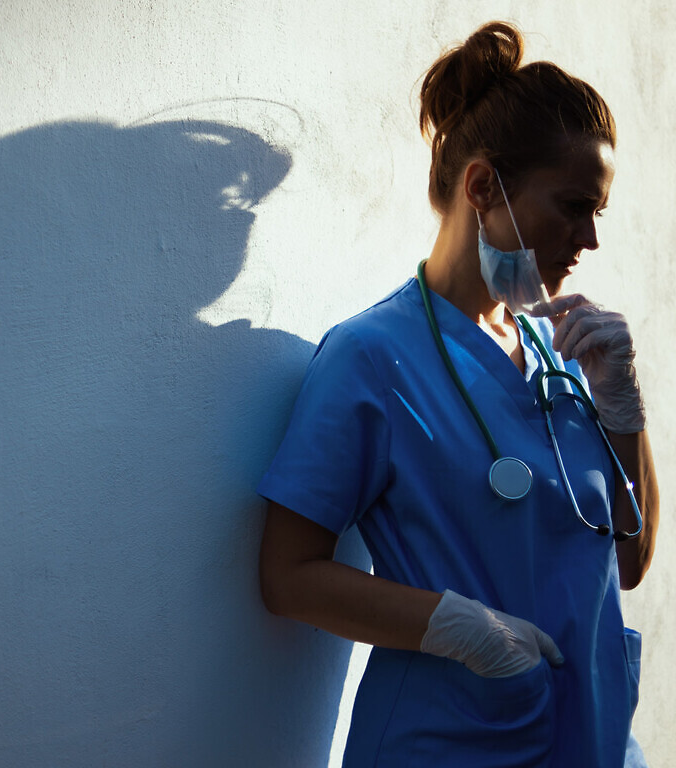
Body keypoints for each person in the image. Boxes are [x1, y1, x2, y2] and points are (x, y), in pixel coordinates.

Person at [257, 21, 660, 767]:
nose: (590, 238)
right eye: (574, 205)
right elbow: (287, 576)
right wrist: (460, 629)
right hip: (453, 740)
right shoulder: (370, 357)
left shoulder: (565, 354)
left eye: (597, 212)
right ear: (482, 186)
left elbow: (629, 562)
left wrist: (625, 414)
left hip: (590, 739)